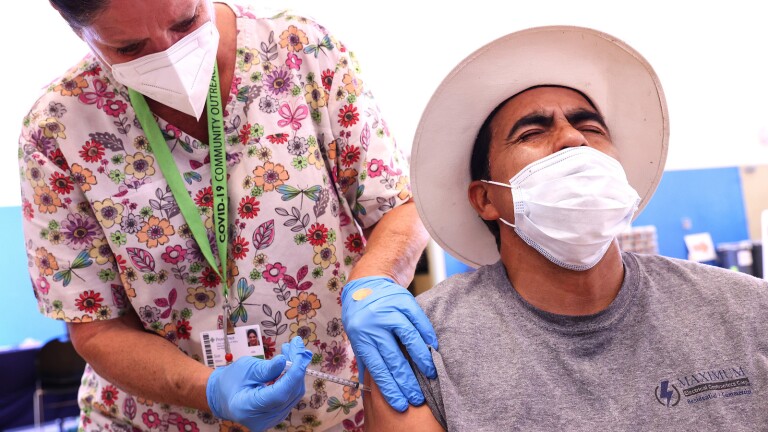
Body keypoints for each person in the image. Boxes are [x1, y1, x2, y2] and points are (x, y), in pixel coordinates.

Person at [18, 1, 437, 431]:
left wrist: (374, 282)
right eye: (130, 48)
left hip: (332, 408)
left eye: (186, 22)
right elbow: (97, 330)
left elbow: (400, 205)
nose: (170, 54)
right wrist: (209, 389)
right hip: (158, 419)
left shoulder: (303, 53)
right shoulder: (58, 128)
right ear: (79, 32)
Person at [363, 26, 768, 431]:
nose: (573, 138)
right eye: (533, 132)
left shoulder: (748, 312)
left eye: (592, 128)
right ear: (485, 199)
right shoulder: (420, 348)